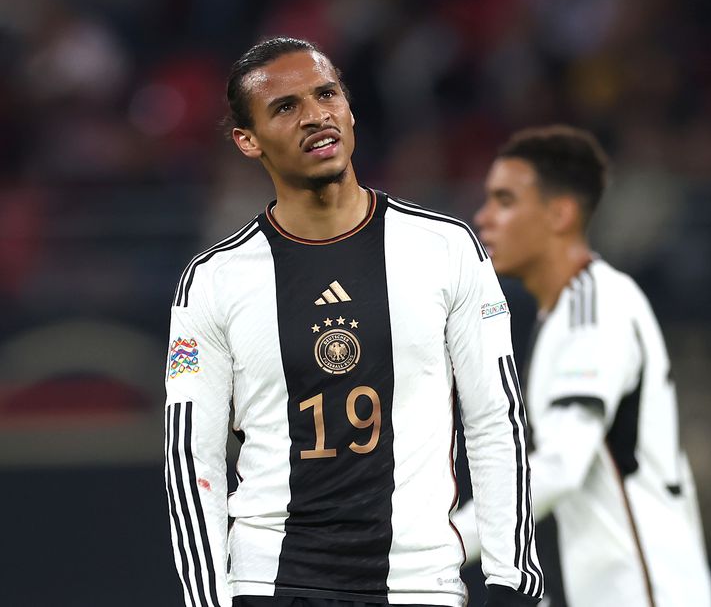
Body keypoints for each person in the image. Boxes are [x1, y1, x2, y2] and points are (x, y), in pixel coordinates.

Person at [163, 37, 543, 607]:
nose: (316, 115)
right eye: (285, 107)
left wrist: (514, 577)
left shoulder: (447, 249)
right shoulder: (214, 282)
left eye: (326, 94)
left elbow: (495, 420)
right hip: (272, 585)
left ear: (349, 107)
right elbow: (191, 457)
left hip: (418, 585)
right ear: (247, 140)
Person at [452, 125, 711, 607]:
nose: (483, 218)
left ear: (560, 213)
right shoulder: (569, 310)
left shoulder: (593, 311)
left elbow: (560, 465)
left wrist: (447, 542)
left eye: (505, 200)